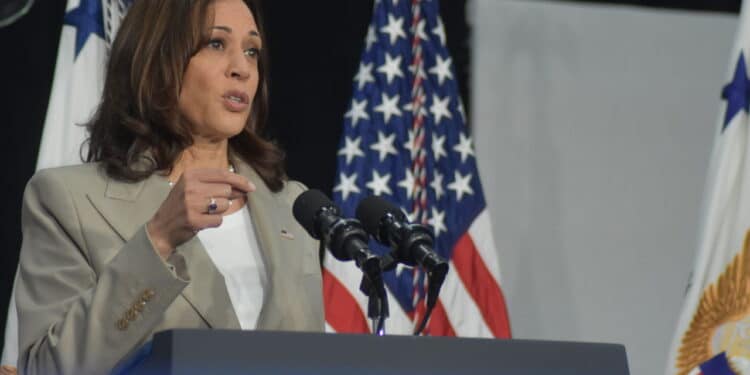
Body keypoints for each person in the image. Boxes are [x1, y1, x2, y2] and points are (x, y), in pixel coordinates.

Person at [13, 0, 324, 374]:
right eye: (215, 44)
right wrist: (157, 241)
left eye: (252, 51)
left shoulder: (292, 207)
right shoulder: (67, 201)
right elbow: (46, 368)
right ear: (158, 60)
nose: (242, 68)